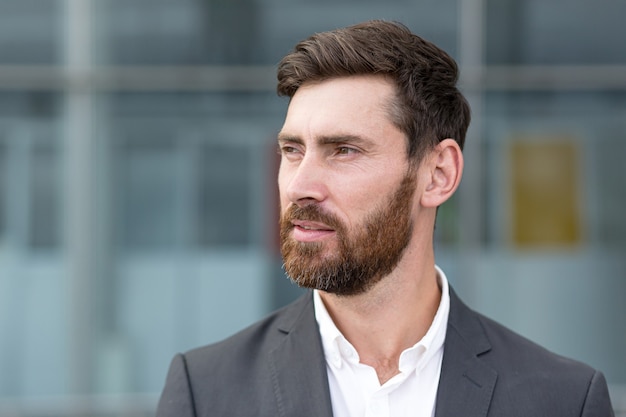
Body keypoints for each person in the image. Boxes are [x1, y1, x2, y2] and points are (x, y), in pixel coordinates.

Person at [156, 20, 614, 417]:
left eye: (344, 150)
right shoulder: (206, 393)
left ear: (438, 175)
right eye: (292, 151)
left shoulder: (562, 400)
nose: (299, 185)